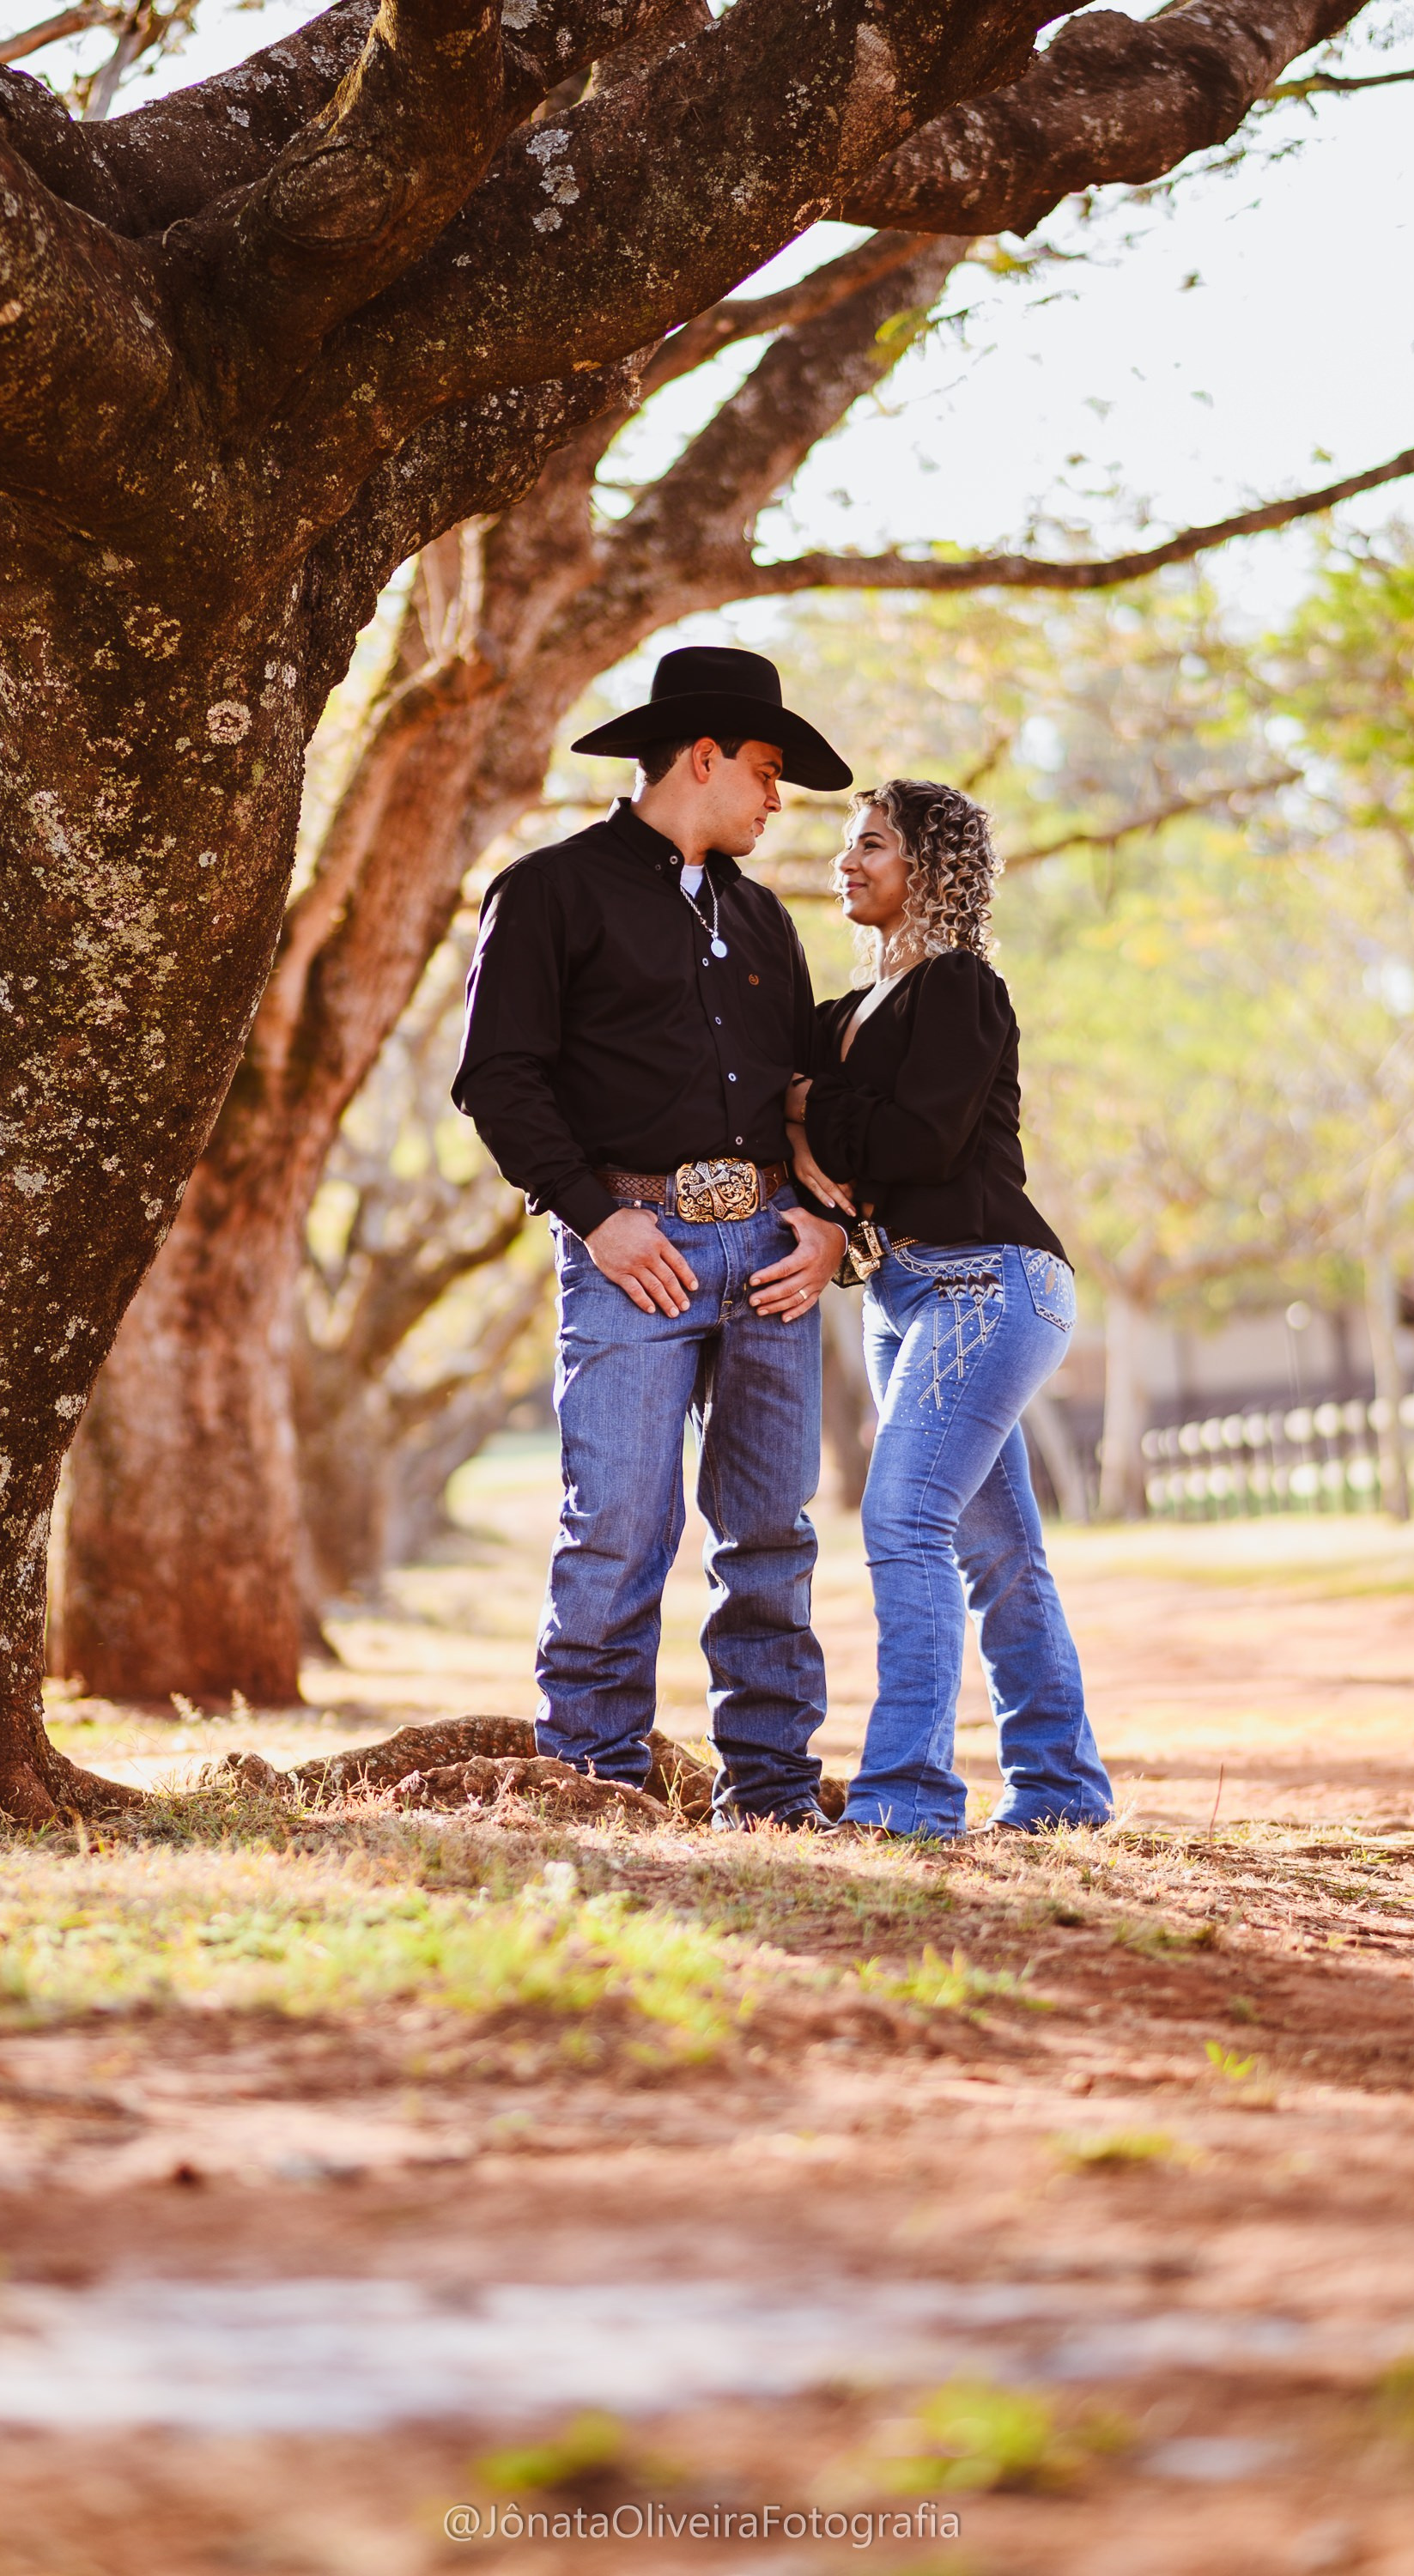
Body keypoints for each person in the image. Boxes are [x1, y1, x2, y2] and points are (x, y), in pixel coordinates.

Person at [453, 645, 849, 1826]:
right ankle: (592, 1786)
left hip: (773, 1252)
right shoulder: (550, 891)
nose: (780, 800)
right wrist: (597, 1219)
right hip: (635, 1246)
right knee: (620, 1524)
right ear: (704, 756)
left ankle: (772, 1791)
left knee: (771, 1532)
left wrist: (825, 1223)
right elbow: (499, 1081)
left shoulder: (766, 917)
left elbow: (802, 1090)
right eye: (769, 771)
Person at [786, 779, 1114, 1839]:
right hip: (897, 1294)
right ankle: (1060, 1791)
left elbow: (917, 1143)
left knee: (901, 1519)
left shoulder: (963, 990)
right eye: (847, 844)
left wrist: (811, 1113)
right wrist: (804, 1123)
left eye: (871, 845)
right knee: (997, 1551)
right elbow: (800, 1111)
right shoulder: (847, 1014)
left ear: (927, 869)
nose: (846, 862)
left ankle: (908, 1797)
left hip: (988, 1281)